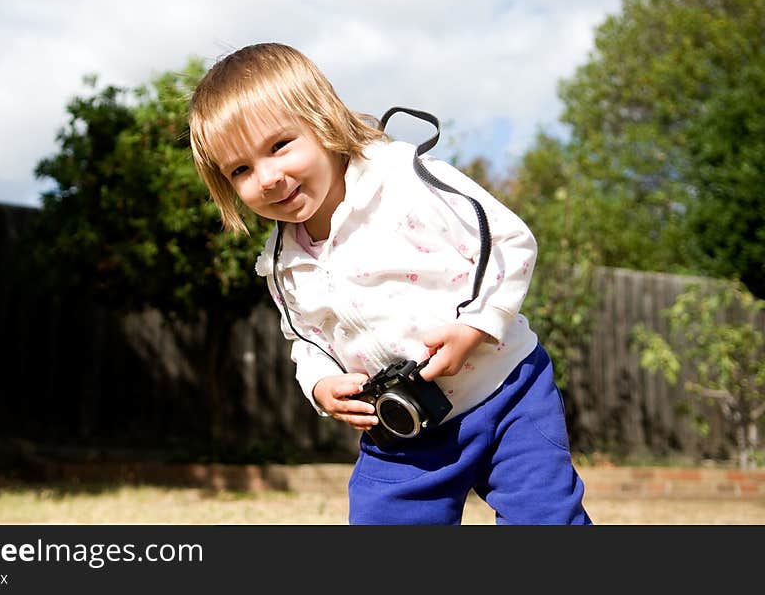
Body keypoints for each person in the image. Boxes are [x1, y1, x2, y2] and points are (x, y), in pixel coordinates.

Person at [189, 42, 591, 525]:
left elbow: (507, 241)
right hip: (405, 426)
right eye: (241, 170)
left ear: (321, 120)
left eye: (279, 146)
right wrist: (320, 384)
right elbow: (305, 338)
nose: (268, 177)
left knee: (546, 521)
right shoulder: (282, 262)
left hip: (506, 393)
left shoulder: (403, 179)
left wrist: (476, 326)